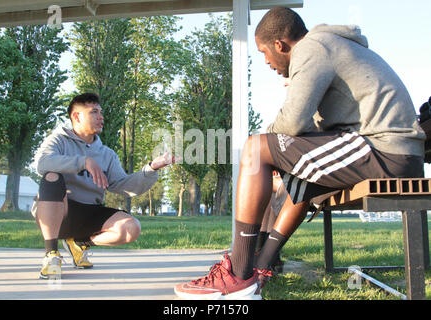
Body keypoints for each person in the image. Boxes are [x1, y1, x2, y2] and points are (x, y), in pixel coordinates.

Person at [174, 7, 425, 300]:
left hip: (385, 149)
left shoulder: (312, 48)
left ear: (280, 45)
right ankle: (259, 267)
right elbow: (312, 130)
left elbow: (292, 123)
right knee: (296, 172)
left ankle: (239, 275)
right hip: (384, 149)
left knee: (256, 149)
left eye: (265, 52)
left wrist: (272, 145)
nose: (267, 61)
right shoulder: (324, 47)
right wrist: (284, 149)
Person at [32, 92, 175, 280]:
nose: (101, 117)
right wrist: (84, 162)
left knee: (131, 228)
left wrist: (151, 168)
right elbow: (41, 163)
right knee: (51, 177)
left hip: (91, 211)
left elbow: (123, 186)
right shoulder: (58, 140)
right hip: (61, 210)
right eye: (94, 112)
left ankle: (80, 243)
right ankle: (51, 255)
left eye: (101, 112)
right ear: (76, 116)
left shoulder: (107, 154)